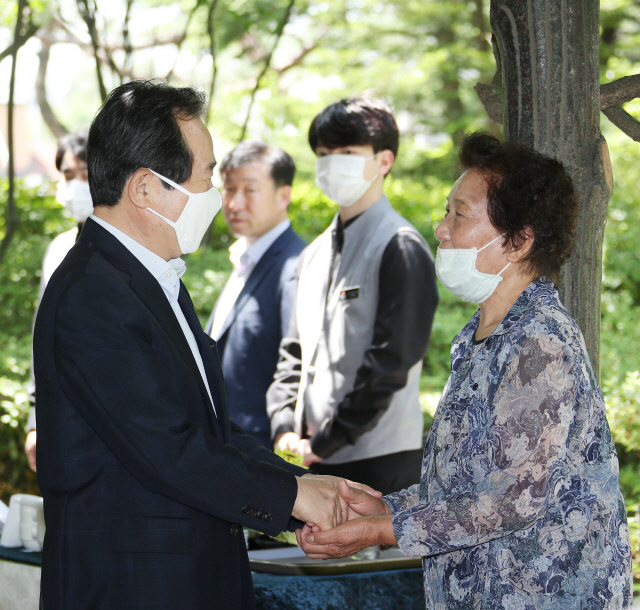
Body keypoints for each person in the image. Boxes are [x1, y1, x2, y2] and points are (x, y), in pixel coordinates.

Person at [33, 80, 376, 610]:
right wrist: (294, 497)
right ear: (146, 188)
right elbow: (167, 448)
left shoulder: (150, 276)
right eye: (205, 174)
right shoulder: (92, 293)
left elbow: (207, 431)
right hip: (133, 586)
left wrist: (307, 489)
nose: (215, 192)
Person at [298, 133, 633, 609]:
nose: (441, 228)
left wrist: (383, 530)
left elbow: (512, 498)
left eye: (460, 213)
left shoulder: (537, 340)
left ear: (518, 242)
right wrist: (386, 508)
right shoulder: (482, 335)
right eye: (446, 211)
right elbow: (464, 484)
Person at [267, 96, 438, 495]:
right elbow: (293, 352)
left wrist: (327, 440)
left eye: (347, 151)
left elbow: (391, 362)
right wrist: (282, 426)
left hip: (381, 461)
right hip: (313, 457)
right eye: (324, 154)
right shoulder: (311, 255)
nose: (332, 163)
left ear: (384, 161)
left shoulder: (401, 246)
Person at [204, 141, 305, 449]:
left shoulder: (296, 264)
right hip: (223, 444)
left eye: (249, 190)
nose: (234, 203)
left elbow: (295, 361)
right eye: (229, 189)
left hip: (260, 447)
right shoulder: (245, 258)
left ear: (283, 195)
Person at [24, 131, 93, 472]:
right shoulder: (59, 249)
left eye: (85, 174)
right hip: (61, 425)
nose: (77, 185)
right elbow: (43, 339)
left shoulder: (135, 251)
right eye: (68, 175)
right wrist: (34, 420)